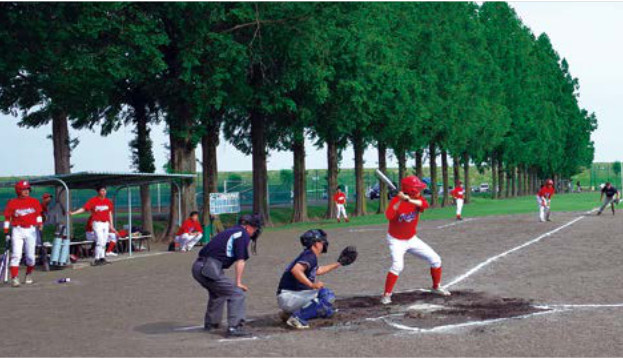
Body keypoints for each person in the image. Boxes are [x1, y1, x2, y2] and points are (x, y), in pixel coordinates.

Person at [381, 176, 450, 305]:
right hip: (396, 240)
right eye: (417, 188)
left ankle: (436, 287)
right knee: (397, 266)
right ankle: (386, 295)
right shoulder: (396, 201)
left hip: (412, 239)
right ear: (410, 189)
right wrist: (400, 201)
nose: (419, 190)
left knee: (436, 260)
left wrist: (408, 200)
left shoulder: (417, 199)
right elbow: (389, 216)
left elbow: (425, 205)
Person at [191, 214, 263, 338]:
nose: (254, 232)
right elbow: (240, 260)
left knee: (219, 292)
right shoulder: (242, 235)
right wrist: (238, 282)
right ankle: (235, 328)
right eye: (254, 228)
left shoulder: (231, 230)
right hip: (208, 267)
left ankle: (212, 324)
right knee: (236, 293)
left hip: (200, 266)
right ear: (248, 227)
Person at [276, 229, 357, 329]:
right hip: (289, 297)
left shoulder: (308, 255)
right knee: (326, 295)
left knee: (326, 307)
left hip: (289, 297)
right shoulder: (310, 256)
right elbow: (296, 270)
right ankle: (297, 317)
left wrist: (338, 263)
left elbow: (318, 270)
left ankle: (288, 314)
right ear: (315, 244)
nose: (323, 243)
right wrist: (312, 285)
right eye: (321, 241)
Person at [3, 180, 43, 287]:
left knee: (31, 257)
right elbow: (7, 218)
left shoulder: (34, 201)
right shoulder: (12, 202)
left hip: (31, 230)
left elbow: (38, 214)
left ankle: (28, 274)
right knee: (16, 254)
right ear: (18, 191)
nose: (26, 191)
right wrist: (6, 231)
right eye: (23, 189)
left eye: (27, 189)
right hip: (18, 230)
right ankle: (14, 278)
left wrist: (40, 223)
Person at [70, 185, 116, 266]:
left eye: (104, 190)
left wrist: (111, 225)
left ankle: (102, 257)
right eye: (102, 191)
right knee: (99, 240)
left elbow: (110, 213)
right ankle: (97, 258)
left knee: (104, 241)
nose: (103, 192)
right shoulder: (93, 200)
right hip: (97, 223)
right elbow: (84, 208)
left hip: (106, 223)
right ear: (98, 192)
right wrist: (73, 213)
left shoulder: (108, 201)